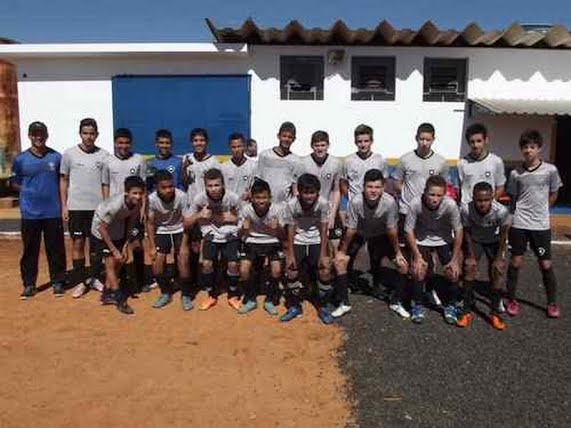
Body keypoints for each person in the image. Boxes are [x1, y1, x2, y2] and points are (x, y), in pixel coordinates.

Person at [335, 169, 409, 318]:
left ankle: (396, 301)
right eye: (370, 187)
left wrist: (398, 252)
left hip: (380, 234)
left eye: (377, 187)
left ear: (383, 187)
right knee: (340, 262)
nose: (373, 191)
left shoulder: (389, 202)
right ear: (363, 187)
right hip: (359, 232)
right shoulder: (356, 201)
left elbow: (392, 230)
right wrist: (342, 251)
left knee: (403, 265)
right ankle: (344, 302)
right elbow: (350, 229)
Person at [505, 129, 563, 318]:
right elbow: (513, 198)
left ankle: (552, 303)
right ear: (521, 149)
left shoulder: (550, 170)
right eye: (525, 147)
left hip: (540, 225)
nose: (528, 151)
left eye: (532, 147)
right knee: (516, 261)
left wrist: (544, 209)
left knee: (545, 264)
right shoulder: (515, 173)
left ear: (540, 148)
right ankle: (511, 300)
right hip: (520, 223)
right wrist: (512, 218)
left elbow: (554, 192)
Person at [11, 121, 67, 298]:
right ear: (29, 136)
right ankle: (29, 284)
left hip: (52, 211)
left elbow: (63, 181)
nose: (38, 137)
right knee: (30, 250)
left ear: (47, 135)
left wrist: (64, 205)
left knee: (56, 248)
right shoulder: (20, 159)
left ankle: (58, 281)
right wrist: (27, 191)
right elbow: (14, 181)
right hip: (30, 213)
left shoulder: (56, 157)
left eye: (41, 134)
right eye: (35, 134)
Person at [60, 118, 109, 298]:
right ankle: (81, 281)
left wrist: (106, 206)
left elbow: (106, 183)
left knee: (96, 246)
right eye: (85, 133)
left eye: (92, 133)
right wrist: (64, 206)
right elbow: (63, 180)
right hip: (76, 208)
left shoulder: (104, 155)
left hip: (96, 209)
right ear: (80, 134)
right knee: (78, 243)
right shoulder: (69, 154)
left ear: (97, 134)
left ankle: (95, 278)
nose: (88, 137)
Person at [404, 175, 463, 324]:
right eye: (432, 194)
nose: (435, 199)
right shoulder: (415, 204)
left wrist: (455, 259)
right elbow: (408, 231)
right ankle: (417, 305)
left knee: (453, 272)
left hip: (443, 240)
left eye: (439, 195)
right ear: (425, 192)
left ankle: (451, 305)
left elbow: (459, 231)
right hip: (422, 239)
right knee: (418, 270)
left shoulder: (450, 205)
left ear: (444, 194)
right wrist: (417, 256)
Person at [184, 168, 242, 311]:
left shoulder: (233, 198)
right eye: (210, 186)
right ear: (205, 186)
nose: (213, 189)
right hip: (210, 235)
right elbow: (186, 222)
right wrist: (199, 215)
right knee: (207, 264)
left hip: (230, 234)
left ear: (223, 185)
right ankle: (211, 295)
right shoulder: (200, 199)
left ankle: (233, 295)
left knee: (233, 264)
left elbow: (245, 217)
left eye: (217, 185)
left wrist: (233, 219)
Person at [458, 182, 511, 330]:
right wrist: (470, 255)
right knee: (469, 268)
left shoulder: (501, 211)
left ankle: (494, 312)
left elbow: (503, 234)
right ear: (473, 198)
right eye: (479, 200)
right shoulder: (466, 209)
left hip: (494, 240)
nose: (482, 203)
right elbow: (466, 232)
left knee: (496, 271)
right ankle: (466, 310)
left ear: (492, 198)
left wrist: (499, 257)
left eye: (486, 200)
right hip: (475, 239)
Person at [281, 173, 333, 324]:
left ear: (318, 192)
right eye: (305, 192)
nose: (309, 196)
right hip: (298, 239)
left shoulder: (323, 203)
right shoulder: (292, 205)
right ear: (299, 192)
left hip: (317, 239)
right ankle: (294, 305)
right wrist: (290, 254)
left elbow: (324, 229)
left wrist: (323, 254)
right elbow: (290, 229)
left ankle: (323, 306)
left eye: (312, 192)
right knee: (291, 270)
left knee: (324, 271)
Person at [91, 176, 146, 315]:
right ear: (126, 192)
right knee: (110, 263)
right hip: (100, 232)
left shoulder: (137, 203)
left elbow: (131, 222)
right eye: (135, 193)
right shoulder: (115, 205)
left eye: (140, 193)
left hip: (117, 229)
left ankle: (107, 293)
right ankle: (120, 299)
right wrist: (114, 250)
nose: (138, 196)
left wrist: (125, 245)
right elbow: (102, 228)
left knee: (120, 261)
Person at [102, 128, 147, 293]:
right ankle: (121, 279)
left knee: (136, 245)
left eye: (127, 142)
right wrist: (106, 205)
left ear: (131, 143)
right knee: (118, 246)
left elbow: (143, 188)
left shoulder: (139, 160)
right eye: (120, 142)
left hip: (133, 210)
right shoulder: (108, 161)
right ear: (115, 143)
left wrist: (142, 209)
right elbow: (105, 185)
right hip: (116, 211)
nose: (124, 146)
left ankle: (140, 280)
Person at [147, 170, 193, 310]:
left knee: (183, 260)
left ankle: (185, 294)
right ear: (157, 187)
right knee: (157, 265)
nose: (168, 190)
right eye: (164, 187)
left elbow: (186, 222)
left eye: (170, 186)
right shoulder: (152, 199)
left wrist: (184, 245)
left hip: (180, 229)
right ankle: (166, 292)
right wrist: (152, 246)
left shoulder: (182, 196)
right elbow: (150, 223)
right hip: (162, 231)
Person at [238, 179, 284, 315]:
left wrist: (278, 227)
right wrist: (243, 229)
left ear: (270, 197)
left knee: (276, 270)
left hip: (271, 241)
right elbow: (239, 234)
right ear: (251, 198)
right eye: (257, 198)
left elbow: (283, 234)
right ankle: (251, 298)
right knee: (244, 269)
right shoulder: (246, 210)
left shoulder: (277, 210)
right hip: (251, 241)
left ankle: (269, 300)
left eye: (264, 197)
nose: (261, 201)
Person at [393, 122, 449, 221]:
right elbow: (397, 183)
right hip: (407, 210)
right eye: (421, 139)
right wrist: (407, 195)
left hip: (430, 212)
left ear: (433, 140)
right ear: (416, 138)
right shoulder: (405, 159)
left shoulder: (441, 162)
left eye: (428, 140)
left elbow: (443, 186)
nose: (424, 143)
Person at [294, 130, 342, 230]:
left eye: (323, 145)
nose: (320, 149)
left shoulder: (336, 163)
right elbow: (296, 189)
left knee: (333, 243)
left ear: (328, 145)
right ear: (312, 146)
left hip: (327, 209)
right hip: (307, 210)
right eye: (317, 145)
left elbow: (336, 190)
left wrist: (332, 215)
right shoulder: (302, 163)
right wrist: (301, 209)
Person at [458, 123, 506, 204]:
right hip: (468, 211)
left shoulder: (496, 161)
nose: (475, 145)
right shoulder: (462, 163)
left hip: (488, 212)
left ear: (486, 140)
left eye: (479, 141)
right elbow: (460, 189)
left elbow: (500, 187)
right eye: (472, 142)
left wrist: (490, 204)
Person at [341, 124, 388, 202]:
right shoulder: (348, 161)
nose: (363, 145)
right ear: (355, 142)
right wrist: (351, 199)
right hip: (354, 204)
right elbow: (343, 183)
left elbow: (384, 182)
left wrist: (377, 198)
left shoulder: (380, 160)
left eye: (366, 141)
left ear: (371, 141)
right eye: (359, 141)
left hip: (374, 204)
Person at [255, 121, 299, 203]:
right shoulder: (265, 155)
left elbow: (294, 186)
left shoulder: (296, 161)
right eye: (284, 136)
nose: (286, 139)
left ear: (294, 139)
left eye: (290, 137)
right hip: (265, 204)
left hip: (285, 205)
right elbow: (258, 179)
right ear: (278, 136)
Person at [221, 132, 257, 202]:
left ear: (244, 146)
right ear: (230, 147)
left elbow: (256, 189)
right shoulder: (223, 167)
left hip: (245, 208)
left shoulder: (253, 166)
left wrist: (251, 192)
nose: (236, 150)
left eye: (239, 146)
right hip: (229, 208)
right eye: (233, 147)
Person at [146, 129, 183, 193]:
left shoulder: (179, 162)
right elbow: (149, 187)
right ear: (156, 144)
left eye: (167, 143)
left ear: (172, 144)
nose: (164, 146)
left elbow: (182, 184)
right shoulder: (150, 163)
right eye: (161, 143)